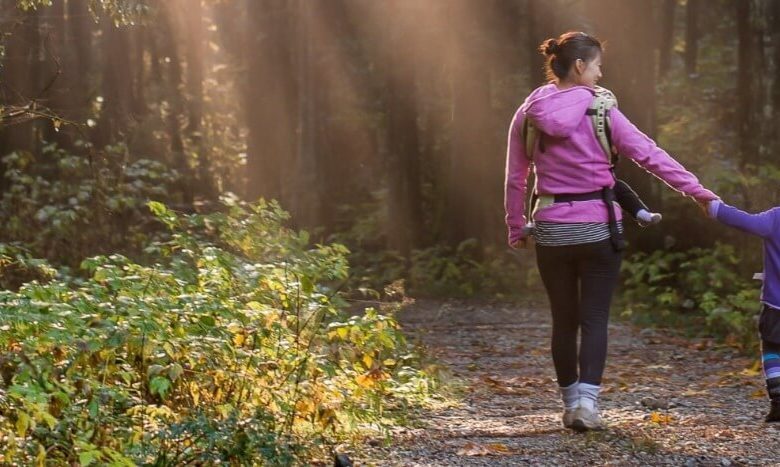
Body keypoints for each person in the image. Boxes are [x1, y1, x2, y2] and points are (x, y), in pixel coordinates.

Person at [504, 31, 719, 431]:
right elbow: (650, 155)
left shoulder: (529, 110)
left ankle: (569, 406)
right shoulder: (601, 110)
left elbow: (516, 176)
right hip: (599, 228)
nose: (601, 74)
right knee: (594, 319)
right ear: (581, 65)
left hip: (551, 229)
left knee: (563, 320)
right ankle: (588, 405)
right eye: (598, 65)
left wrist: (516, 224)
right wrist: (698, 192)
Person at [707, 200, 780, 422]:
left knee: (772, 347)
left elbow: (746, 222)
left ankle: (778, 400)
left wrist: (713, 207)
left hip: (776, 305)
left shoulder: (776, 217)